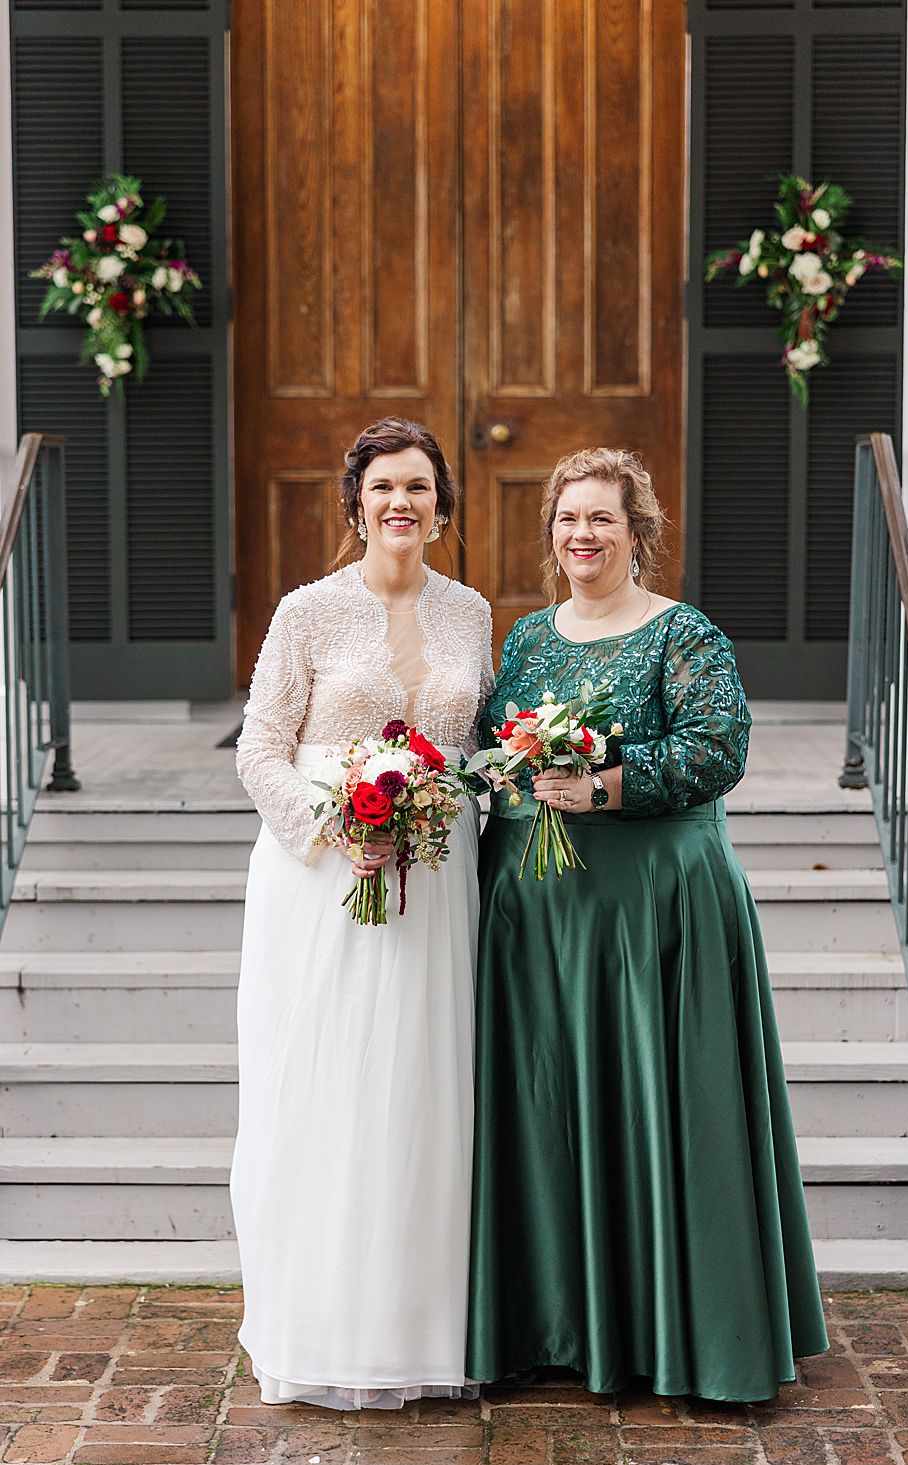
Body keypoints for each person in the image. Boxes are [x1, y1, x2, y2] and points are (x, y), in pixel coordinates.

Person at [466, 446, 826, 1399]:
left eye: (602, 519)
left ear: (638, 533)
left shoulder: (684, 634)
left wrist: (606, 785)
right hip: (541, 922)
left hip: (653, 911)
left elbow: (718, 747)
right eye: (568, 519)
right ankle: (558, 1327)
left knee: (668, 1111)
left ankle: (682, 1335)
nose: (582, 536)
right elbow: (495, 744)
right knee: (550, 1115)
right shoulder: (528, 639)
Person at [232, 417, 490, 1408]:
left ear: (441, 505)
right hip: (322, 884)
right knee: (328, 1088)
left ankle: (420, 1327)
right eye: (384, 487)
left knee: (424, 1093)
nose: (401, 504)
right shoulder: (306, 614)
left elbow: (467, 747)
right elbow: (260, 749)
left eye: (419, 488)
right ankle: (322, 1324)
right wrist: (332, 828)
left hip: (436, 879)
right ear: (355, 503)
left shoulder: (470, 614)